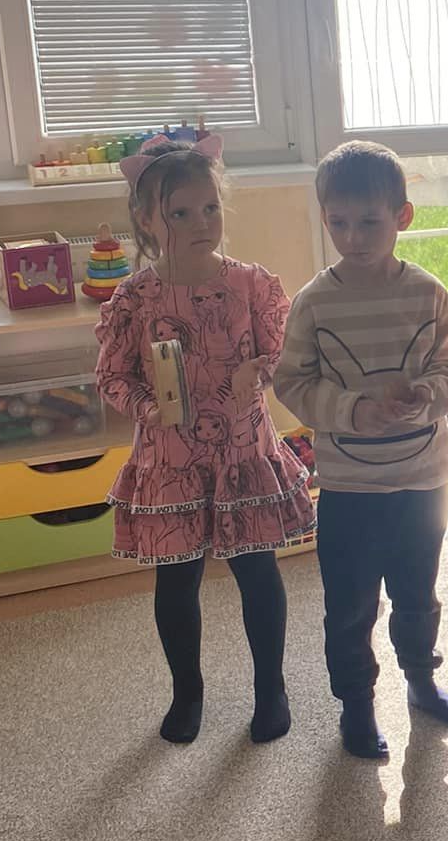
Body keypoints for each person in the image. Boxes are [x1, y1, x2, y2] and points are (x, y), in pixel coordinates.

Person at [94, 133, 315, 746]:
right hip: (171, 459)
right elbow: (113, 375)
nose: (201, 223)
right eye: (181, 213)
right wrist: (149, 408)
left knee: (257, 570)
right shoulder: (135, 297)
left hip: (243, 451)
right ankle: (187, 691)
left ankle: (271, 689)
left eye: (211, 208)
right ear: (146, 219)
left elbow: (284, 350)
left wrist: (259, 372)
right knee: (176, 580)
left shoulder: (251, 285)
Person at [273, 141, 448, 761]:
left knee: (418, 595)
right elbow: (292, 383)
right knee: (349, 607)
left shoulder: (428, 293)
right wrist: (353, 410)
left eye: (369, 222)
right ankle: (356, 706)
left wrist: (425, 397)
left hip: (422, 481)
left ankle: (421, 682)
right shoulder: (314, 302)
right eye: (338, 223)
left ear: (402, 217)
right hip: (349, 489)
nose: (353, 237)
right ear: (325, 218)